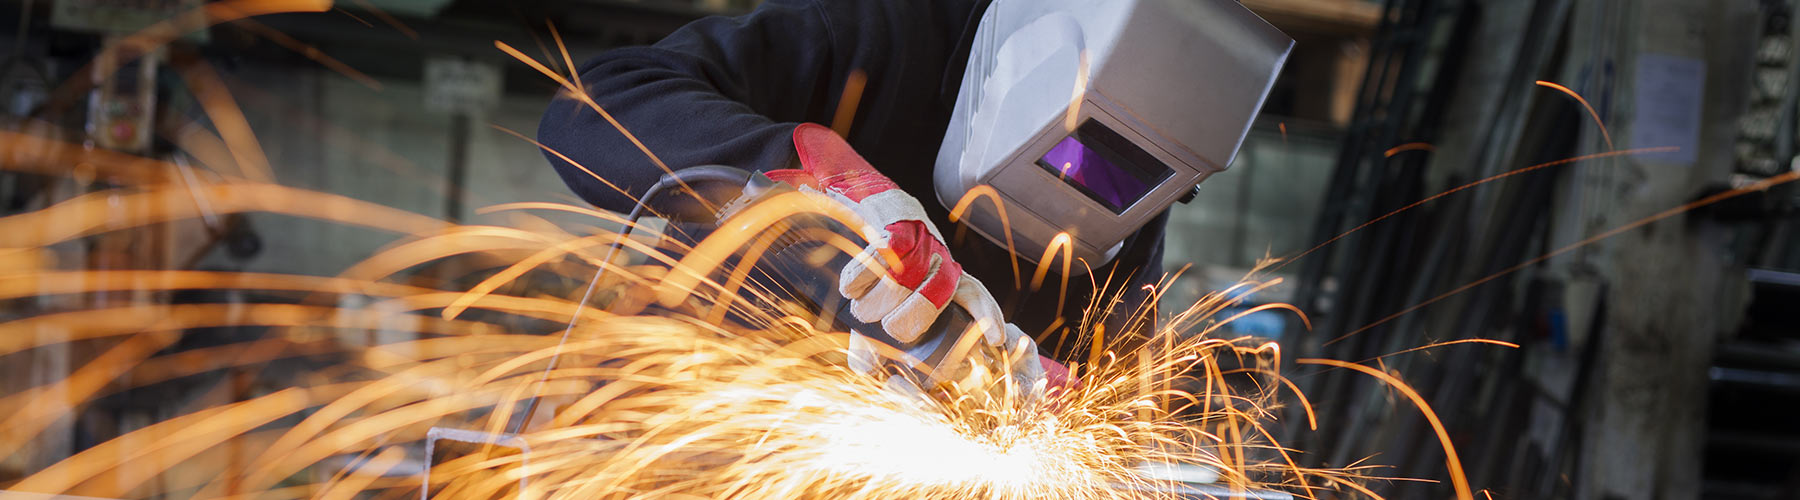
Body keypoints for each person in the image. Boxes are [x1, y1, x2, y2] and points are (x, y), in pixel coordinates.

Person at [537, 0, 1287, 387]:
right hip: (693, 425)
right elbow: (589, 104)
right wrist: (817, 170)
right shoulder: (883, 32)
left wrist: (1055, 395)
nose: (1080, 179)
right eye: (1073, 141)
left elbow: (1107, 376)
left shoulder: (1135, 203)